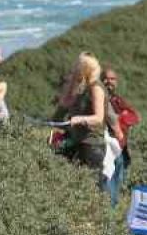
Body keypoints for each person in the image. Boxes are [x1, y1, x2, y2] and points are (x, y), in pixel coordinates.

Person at [53, 52, 119, 201]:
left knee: (90, 189)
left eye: (78, 67)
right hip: (77, 142)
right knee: (71, 187)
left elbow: (98, 118)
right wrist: (71, 85)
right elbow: (61, 110)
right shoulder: (81, 88)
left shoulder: (96, 87)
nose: (75, 70)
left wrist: (80, 119)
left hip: (91, 144)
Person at [101, 65, 130, 204]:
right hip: (105, 143)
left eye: (112, 79)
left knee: (118, 177)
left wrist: (122, 118)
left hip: (119, 144)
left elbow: (134, 116)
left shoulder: (118, 100)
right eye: (106, 79)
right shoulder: (99, 96)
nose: (109, 82)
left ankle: (113, 207)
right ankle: (109, 207)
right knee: (108, 175)